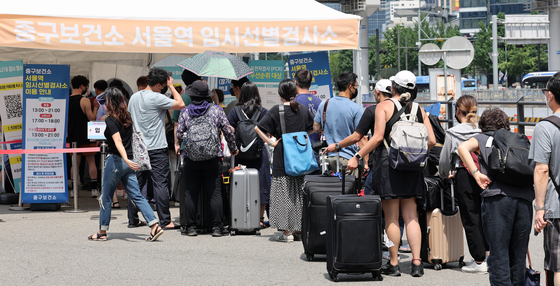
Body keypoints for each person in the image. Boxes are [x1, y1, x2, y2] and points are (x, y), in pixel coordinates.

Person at [347, 70, 436, 277]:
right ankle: (416, 263)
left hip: (389, 165)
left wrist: (358, 156)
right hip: (413, 166)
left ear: (393, 87)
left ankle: (394, 263)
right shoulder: (418, 109)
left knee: (392, 217)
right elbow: (431, 141)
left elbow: (377, 138)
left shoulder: (383, 106)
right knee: (411, 215)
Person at [458, 107, 534, 285]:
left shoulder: (483, 138)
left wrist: (476, 174)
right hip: (524, 201)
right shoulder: (518, 140)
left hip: (497, 201)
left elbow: (462, 148)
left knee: (499, 255)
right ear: (506, 125)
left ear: (483, 126)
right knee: (518, 256)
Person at [87, 87, 163, 242]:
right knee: (137, 196)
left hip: (116, 161)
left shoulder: (110, 120)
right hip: (129, 163)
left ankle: (102, 232)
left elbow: (117, 141)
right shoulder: (127, 118)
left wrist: (125, 158)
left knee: (106, 197)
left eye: (106, 101)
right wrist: (129, 160)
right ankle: (154, 225)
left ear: (109, 102)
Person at [255, 78, 315, 243]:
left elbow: (258, 128)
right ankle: (299, 230)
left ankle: (287, 232)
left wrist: (272, 142)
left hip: (283, 155)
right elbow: (313, 128)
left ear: (280, 93)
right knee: (299, 194)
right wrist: (300, 137)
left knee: (284, 194)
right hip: (300, 156)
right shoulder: (302, 109)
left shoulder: (277, 110)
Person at [177, 80, 238, 237]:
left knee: (191, 192)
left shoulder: (185, 112)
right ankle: (217, 228)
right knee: (215, 192)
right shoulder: (216, 110)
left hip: (191, 158)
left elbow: (179, 134)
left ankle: (190, 227)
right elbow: (228, 131)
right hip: (213, 157)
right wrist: (233, 149)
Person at [127, 68, 185, 229]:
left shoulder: (134, 97)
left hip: (139, 147)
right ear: (159, 84)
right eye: (164, 85)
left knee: (137, 184)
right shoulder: (157, 97)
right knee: (160, 184)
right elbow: (180, 104)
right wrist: (173, 87)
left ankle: (132, 219)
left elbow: (130, 117)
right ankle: (165, 221)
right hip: (157, 147)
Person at [439, 95, 488, 273]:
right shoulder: (482, 130)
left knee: (471, 217)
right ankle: (490, 256)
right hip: (485, 175)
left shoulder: (453, 132)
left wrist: (445, 174)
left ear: (457, 111)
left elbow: (444, 161)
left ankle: (479, 261)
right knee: (486, 215)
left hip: (464, 176)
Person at [324, 79, 391, 195]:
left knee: (371, 202)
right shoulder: (410, 109)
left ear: (377, 92)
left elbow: (358, 137)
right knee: (403, 205)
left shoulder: (373, 110)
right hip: (405, 162)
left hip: (380, 163)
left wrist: (338, 146)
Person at [227, 82, 271, 229]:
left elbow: (229, 131)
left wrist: (235, 147)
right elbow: (268, 133)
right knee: (262, 184)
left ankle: (241, 216)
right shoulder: (263, 111)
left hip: (240, 155)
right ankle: (259, 218)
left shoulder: (235, 111)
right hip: (260, 154)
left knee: (241, 183)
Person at [532, 72, 560, 285]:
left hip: (556, 207)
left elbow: (542, 170)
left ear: (550, 95)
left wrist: (539, 208)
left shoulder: (545, 127)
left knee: (557, 264)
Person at [313, 71, 364, 176]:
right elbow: (361, 138)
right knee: (350, 190)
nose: (356, 89)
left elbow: (316, 128)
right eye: (355, 86)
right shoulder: (356, 109)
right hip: (348, 159)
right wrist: (366, 161)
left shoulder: (324, 104)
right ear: (350, 87)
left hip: (328, 158)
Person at [68, 75, 100, 198]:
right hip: (86, 135)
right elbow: (91, 118)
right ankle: (94, 189)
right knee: (91, 161)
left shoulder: (67, 100)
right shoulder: (85, 100)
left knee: (75, 163)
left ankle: (73, 190)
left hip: (72, 135)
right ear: (82, 86)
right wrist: (96, 107)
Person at [171, 70, 197, 154]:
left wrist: (176, 143)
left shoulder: (181, 99)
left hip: (186, 144)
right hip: (206, 143)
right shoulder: (207, 97)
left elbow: (176, 124)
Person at [294, 69, 322, 143]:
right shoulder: (320, 102)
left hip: (299, 146)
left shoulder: (293, 102)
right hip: (316, 147)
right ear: (310, 84)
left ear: (295, 82)